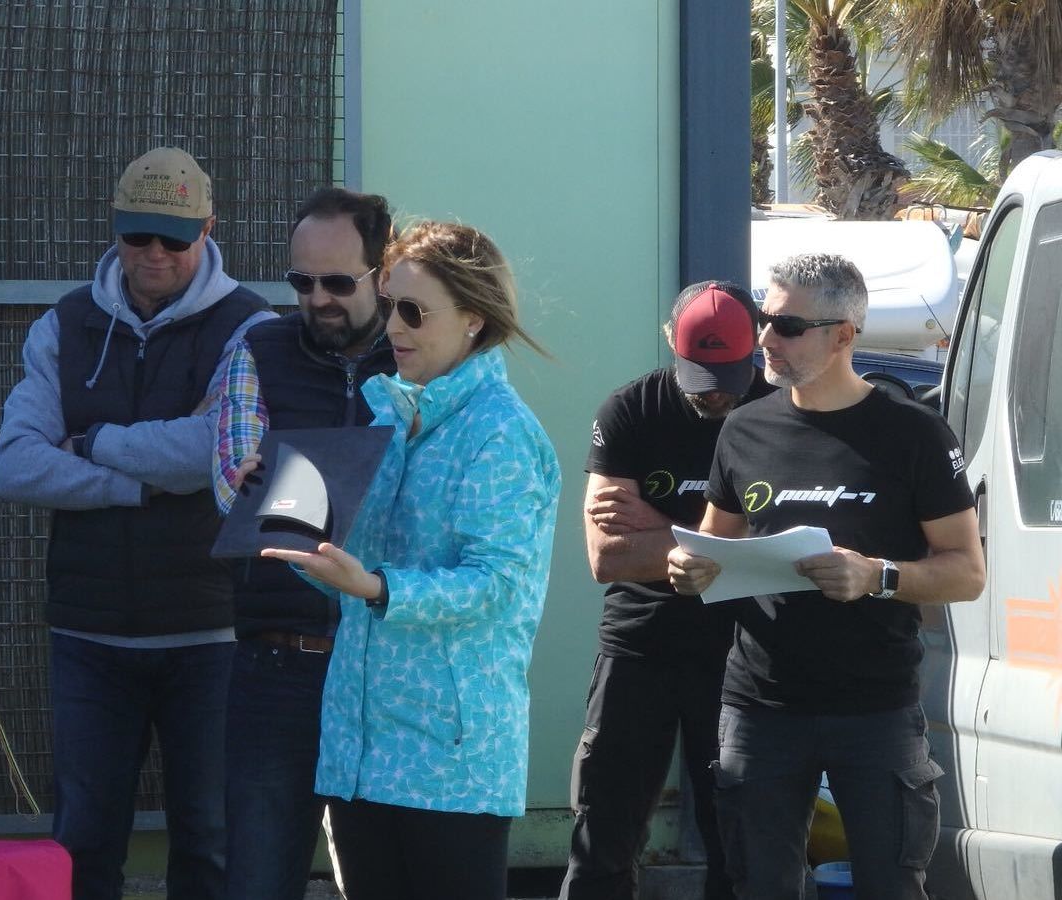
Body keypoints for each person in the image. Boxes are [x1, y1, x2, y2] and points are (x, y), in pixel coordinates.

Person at [0, 147, 274, 900]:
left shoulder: (255, 329)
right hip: (88, 633)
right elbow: (15, 465)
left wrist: (92, 444)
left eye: (174, 239)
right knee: (83, 839)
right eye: (137, 235)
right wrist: (138, 486)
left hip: (211, 631)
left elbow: (215, 449)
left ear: (210, 230)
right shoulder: (64, 324)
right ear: (114, 229)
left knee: (209, 839)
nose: (153, 254)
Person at [667, 253, 984, 900]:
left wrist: (877, 576)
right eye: (763, 320)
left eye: (786, 325)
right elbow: (714, 547)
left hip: (876, 709)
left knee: (890, 885)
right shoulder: (744, 429)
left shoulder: (914, 435)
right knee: (758, 885)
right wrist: (688, 567)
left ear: (844, 335)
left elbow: (967, 572)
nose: (763, 339)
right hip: (760, 707)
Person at [262, 221, 561, 900]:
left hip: (452, 760)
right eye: (389, 304)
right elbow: (336, 559)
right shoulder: (386, 417)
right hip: (360, 749)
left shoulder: (502, 432)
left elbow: (496, 584)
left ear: (474, 321)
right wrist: (279, 510)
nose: (392, 325)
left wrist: (373, 587)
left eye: (414, 311)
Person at [212, 187, 397, 900]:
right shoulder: (256, 349)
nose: (317, 299)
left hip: (389, 666)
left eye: (338, 282)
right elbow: (237, 491)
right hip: (281, 664)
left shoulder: (417, 354)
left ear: (384, 272)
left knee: (389, 876)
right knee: (258, 879)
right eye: (301, 282)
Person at [559, 281, 771, 900]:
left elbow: (782, 554)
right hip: (639, 646)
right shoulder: (629, 410)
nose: (717, 394)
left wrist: (661, 530)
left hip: (741, 655)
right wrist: (722, 543)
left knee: (739, 846)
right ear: (670, 345)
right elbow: (607, 557)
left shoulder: (776, 417)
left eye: (730, 374)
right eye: (701, 376)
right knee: (602, 838)